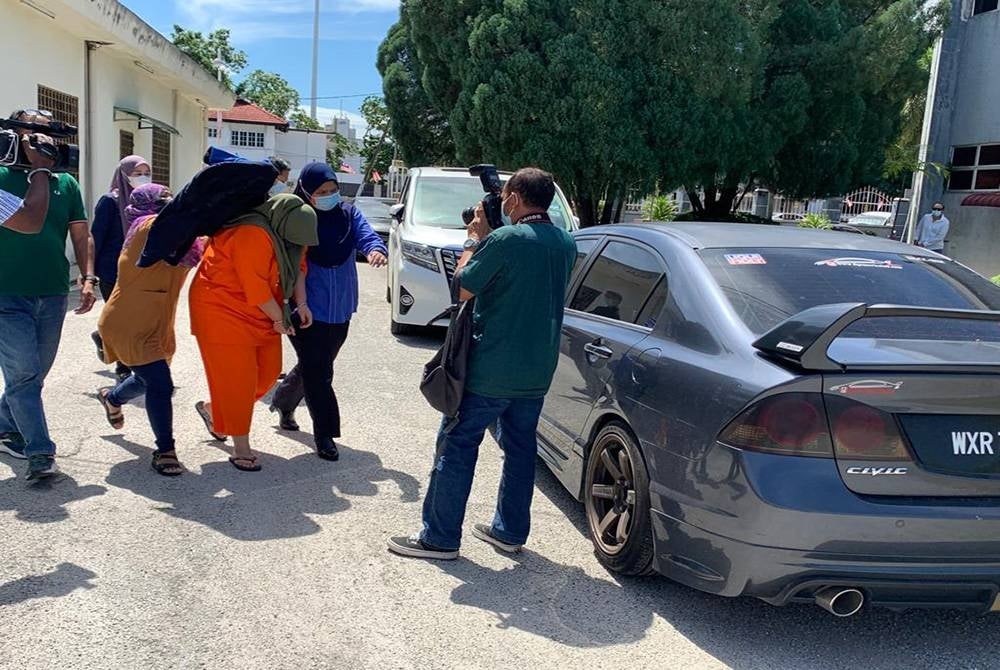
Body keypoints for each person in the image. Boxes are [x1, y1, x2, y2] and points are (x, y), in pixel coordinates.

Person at [388, 167, 577, 560]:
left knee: (457, 445)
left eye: (506, 196)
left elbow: (462, 287)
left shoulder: (505, 240)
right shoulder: (564, 242)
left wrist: (474, 240)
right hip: (536, 368)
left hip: (490, 368)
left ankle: (439, 538)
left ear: (515, 199)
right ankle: (509, 532)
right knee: (520, 451)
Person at [0, 109, 97, 480]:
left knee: (33, 375)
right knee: (24, 375)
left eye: (49, 135)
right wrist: (40, 169)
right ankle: (40, 452)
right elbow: (30, 220)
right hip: (7, 294)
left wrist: (88, 277)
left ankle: (3, 425)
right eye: (35, 134)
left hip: (53, 293)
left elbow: (81, 234)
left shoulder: (66, 183)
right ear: (16, 136)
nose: (44, 141)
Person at [190, 194, 317, 472]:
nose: (298, 246)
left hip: (262, 310)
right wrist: (280, 318)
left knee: (268, 373)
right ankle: (241, 448)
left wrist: (301, 304)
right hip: (221, 309)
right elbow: (255, 288)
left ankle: (214, 410)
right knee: (239, 380)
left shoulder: (290, 230)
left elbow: (299, 266)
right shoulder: (252, 233)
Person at [269, 163, 388, 461]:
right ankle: (325, 434)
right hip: (305, 308)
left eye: (333, 190)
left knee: (315, 365)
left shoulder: (348, 214)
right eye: (321, 192)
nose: (329, 196)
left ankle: (284, 400)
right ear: (307, 191)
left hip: (340, 308)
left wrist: (375, 249)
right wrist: (295, 304)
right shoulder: (298, 217)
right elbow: (289, 262)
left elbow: (366, 235)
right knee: (320, 370)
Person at [95, 184, 203, 476]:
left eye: (170, 196)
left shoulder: (176, 236)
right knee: (160, 384)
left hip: (158, 322)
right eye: (162, 198)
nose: (168, 201)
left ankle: (112, 397)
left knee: (146, 379)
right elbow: (179, 225)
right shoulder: (147, 227)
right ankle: (165, 450)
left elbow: (200, 243)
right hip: (129, 322)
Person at [90, 155, 152, 382]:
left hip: (140, 269)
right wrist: (89, 274)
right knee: (124, 319)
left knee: (135, 318)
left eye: (146, 173)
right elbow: (96, 237)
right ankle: (123, 366)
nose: (143, 178)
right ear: (124, 175)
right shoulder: (110, 201)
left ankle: (103, 335)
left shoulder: (148, 201)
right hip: (112, 270)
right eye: (137, 174)